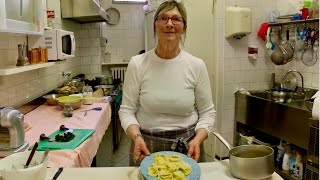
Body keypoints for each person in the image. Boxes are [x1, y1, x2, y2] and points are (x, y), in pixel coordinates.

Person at [119, 0, 216, 166]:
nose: (169, 24)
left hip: (188, 145)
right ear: (155, 25)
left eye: (176, 19)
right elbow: (127, 110)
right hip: (145, 145)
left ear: (184, 27)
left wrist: (198, 139)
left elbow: (208, 112)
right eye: (163, 18)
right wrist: (137, 137)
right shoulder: (137, 64)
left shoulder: (196, 65)